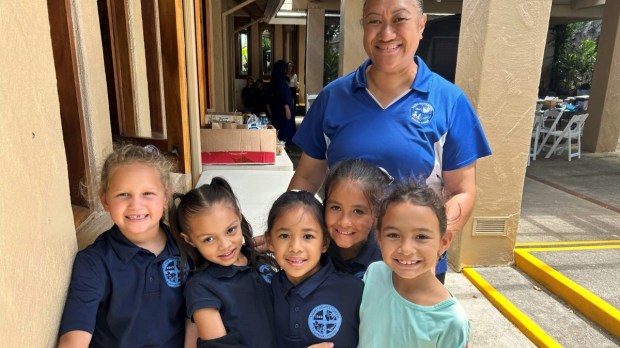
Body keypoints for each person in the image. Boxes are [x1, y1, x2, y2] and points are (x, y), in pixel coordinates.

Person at [289, 0, 492, 283]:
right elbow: (307, 178)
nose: (386, 34)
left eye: (399, 19)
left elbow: (462, 191)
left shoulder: (449, 102)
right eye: (374, 21)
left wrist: (434, 245)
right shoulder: (334, 97)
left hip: (413, 269)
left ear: (421, 25)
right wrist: (288, 229)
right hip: (341, 263)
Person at [58, 144, 193, 348]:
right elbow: (74, 337)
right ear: (105, 201)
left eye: (147, 193)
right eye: (123, 194)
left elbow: (198, 312)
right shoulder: (94, 262)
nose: (136, 205)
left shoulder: (186, 247)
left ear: (165, 197)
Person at [358, 180, 469, 347]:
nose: (406, 249)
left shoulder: (451, 320)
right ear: (379, 236)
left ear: (444, 241)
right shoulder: (374, 274)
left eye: (421, 237)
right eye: (393, 235)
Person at [168, 177, 276, 348]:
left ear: (239, 216)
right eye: (209, 239)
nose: (225, 245)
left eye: (230, 230)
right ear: (189, 240)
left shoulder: (257, 261)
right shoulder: (201, 287)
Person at [264, 190, 363, 348]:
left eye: (308, 236)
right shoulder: (265, 291)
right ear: (270, 241)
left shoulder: (354, 291)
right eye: (284, 236)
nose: (295, 248)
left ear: (324, 243)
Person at [323, 159, 392, 278]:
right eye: (336, 208)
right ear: (324, 206)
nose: (344, 222)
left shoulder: (387, 263)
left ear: (376, 215)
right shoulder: (312, 247)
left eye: (358, 211)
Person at [269, 59, 296, 145]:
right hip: (283, 111)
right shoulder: (282, 84)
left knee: (278, 129)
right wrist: (287, 109)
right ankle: (283, 147)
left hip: (276, 110)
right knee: (285, 130)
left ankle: (279, 145)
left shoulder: (273, 82)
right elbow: (284, 97)